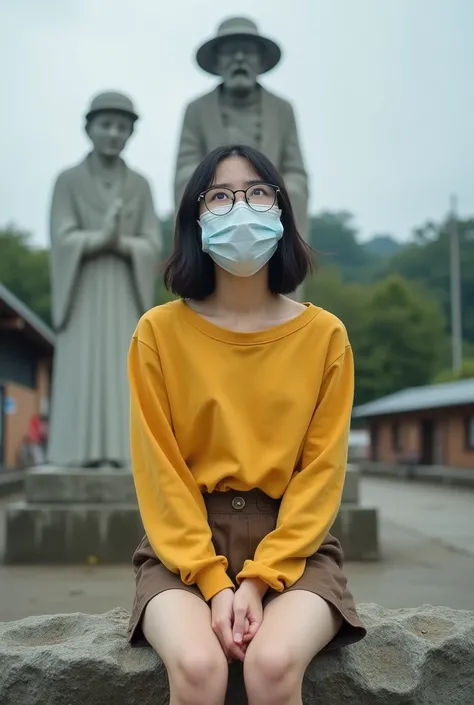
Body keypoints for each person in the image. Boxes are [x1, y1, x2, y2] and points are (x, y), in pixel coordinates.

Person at [128, 144, 365, 705]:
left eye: (258, 192)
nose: (241, 206)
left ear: (281, 211)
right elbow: (161, 474)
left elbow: (321, 473)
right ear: (195, 218)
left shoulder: (325, 335)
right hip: (182, 550)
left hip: (298, 548)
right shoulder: (157, 333)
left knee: (274, 665)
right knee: (197, 667)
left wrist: (258, 580)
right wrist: (213, 585)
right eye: (220, 195)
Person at [47, 91, 161, 468]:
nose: (113, 133)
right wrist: (97, 239)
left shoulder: (140, 185)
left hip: (126, 288)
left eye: (122, 127)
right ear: (89, 128)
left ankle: (125, 454)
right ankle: (73, 453)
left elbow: (152, 242)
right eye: (106, 125)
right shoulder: (67, 181)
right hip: (82, 287)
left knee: (123, 370)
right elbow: (61, 237)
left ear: (130, 134)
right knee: (81, 367)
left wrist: (124, 244)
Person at [174, 17, 308, 241]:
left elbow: (295, 170)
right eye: (230, 52)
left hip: (269, 205)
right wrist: (219, 188)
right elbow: (185, 169)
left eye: (247, 51)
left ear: (261, 61)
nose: (239, 58)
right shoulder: (197, 110)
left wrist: (271, 193)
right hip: (217, 206)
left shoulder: (281, 109)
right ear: (217, 62)